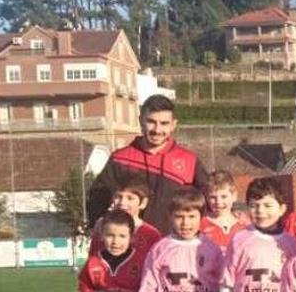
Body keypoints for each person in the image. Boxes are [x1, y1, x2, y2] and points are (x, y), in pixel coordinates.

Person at [87, 95, 208, 234]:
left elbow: (209, 198)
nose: (157, 130)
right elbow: (97, 198)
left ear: (173, 124)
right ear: (140, 120)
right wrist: (97, 225)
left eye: (164, 123)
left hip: (173, 243)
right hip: (130, 245)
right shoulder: (121, 158)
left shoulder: (189, 160)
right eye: (151, 121)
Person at [88, 175, 162, 258]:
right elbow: (93, 256)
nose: (122, 202)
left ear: (143, 203)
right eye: (118, 197)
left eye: (130, 198)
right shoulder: (101, 225)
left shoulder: (150, 234)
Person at [200, 170, 249, 252]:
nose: (218, 202)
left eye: (224, 196)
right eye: (213, 197)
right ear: (207, 198)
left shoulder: (245, 224)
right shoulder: (200, 224)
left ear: (234, 196)